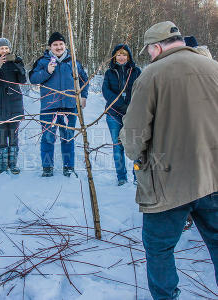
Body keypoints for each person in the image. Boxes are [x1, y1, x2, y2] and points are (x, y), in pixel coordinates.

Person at [120, 21, 218, 300]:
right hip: (214, 177)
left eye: (149, 50)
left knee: (159, 247)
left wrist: (134, 153)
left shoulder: (152, 75)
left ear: (157, 46)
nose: (149, 56)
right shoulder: (215, 68)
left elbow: (134, 136)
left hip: (169, 182)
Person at [29, 32, 89, 177]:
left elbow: (84, 80)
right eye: (55, 44)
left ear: (65, 45)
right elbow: (33, 78)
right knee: (48, 138)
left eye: (61, 44)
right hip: (49, 107)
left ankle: (68, 167)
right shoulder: (43, 61)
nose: (58, 47)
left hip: (69, 106)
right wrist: (47, 71)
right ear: (50, 47)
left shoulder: (73, 61)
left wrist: (83, 96)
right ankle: (47, 167)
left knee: (68, 138)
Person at [102, 44, 141, 186]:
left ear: (129, 56)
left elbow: (141, 90)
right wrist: (121, 104)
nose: (121, 57)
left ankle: (138, 175)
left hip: (133, 114)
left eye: (124, 54)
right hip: (114, 114)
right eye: (118, 54)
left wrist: (130, 105)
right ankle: (121, 177)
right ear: (114, 57)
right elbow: (106, 92)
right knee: (118, 145)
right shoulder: (109, 73)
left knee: (136, 146)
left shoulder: (136, 71)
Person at [0, 38, 26, 174]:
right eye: (1, 49)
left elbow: (23, 80)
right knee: (2, 135)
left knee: (13, 135)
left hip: (15, 102)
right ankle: (3, 165)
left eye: (6, 48)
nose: (4, 51)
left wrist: (18, 65)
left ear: (10, 49)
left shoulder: (17, 61)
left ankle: (13, 164)